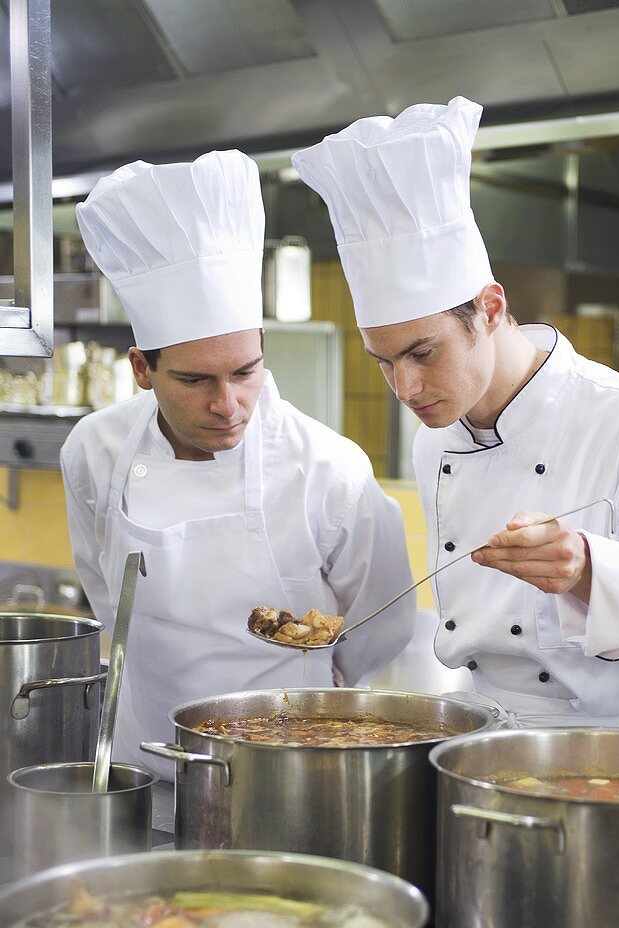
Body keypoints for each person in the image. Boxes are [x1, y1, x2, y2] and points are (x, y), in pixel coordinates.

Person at [292, 96, 619, 731]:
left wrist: (590, 571)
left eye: (422, 352)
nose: (405, 387)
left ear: (491, 308)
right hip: (482, 733)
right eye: (384, 361)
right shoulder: (434, 442)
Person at [61, 150, 415, 804]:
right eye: (195, 380)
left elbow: (379, 629)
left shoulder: (328, 470)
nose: (228, 404)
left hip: (286, 780)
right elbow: (106, 596)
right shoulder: (95, 449)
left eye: (245, 371)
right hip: (142, 774)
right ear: (141, 368)